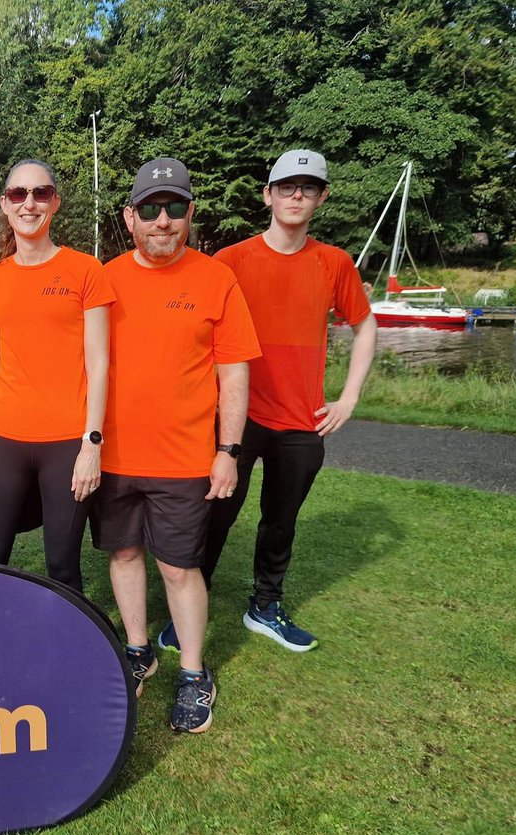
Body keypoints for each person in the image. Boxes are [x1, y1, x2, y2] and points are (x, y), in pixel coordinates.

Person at [157, 150, 376, 655]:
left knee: (281, 521)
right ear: (268, 195)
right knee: (214, 516)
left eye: (307, 188)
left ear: (321, 197)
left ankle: (266, 606)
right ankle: (189, 607)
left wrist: (349, 397)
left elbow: (366, 325)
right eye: (286, 187)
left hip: (302, 421)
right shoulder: (231, 260)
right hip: (236, 418)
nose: (296, 196)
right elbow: (191, 329)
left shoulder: (334, 262)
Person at [92, 158, 260, 734]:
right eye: (149, 209)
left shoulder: (216, 279)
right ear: (129, 217)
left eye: (174, 208)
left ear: (190, 213)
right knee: (123, 554)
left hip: (186, 457)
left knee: (180, 566)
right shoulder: (104, 280)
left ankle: (192, 672)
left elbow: (234, 374)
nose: (162, 221)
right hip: (113, 455)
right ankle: (138, 648)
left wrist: (228, 451)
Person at [0, 159, 112, 592]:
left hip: (67, 442)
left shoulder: (86, 270)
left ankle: (69, 652)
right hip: (2, 438)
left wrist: (92, 442)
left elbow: (99, 361)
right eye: (19, 194)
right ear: (5, 204)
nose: (29, 203)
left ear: (55, 203)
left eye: (40, 193)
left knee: (62, 563)